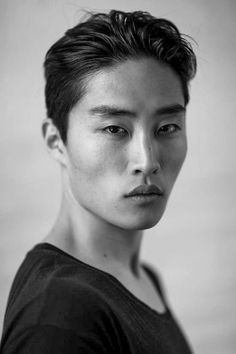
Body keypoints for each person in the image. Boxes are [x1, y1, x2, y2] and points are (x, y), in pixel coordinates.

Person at [0, 9, 197, 353]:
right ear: (55, 140)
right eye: (114, 129)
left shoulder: (141, 279)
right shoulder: (60, 320)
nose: (147, 161)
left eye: (166, 128)